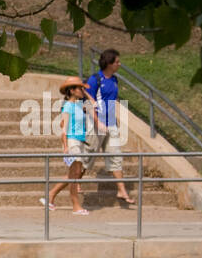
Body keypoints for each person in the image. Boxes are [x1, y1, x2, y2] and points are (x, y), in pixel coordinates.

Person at [86, 49, 134, 204]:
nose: (119, 64)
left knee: (116, 157)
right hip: (96, 124)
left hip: (111, 124)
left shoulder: (114, 79)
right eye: (117, 62)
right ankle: (76, 183)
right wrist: (97, 122)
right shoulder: (95, 80)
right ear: (109, 63)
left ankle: (122, 191)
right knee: (86, 157)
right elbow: (88, 102)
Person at [43, 76, 96, 215]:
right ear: (72, 90)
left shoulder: (79, 105)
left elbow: (94, 104)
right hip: (72, 142)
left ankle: (50, 196)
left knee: (74, 174)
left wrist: (85, 92)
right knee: (74, 175)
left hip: (80, 141)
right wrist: (65, 146)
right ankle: (76, 206)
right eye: (79, 88)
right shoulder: (67, 106)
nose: (82, 90)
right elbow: (64, 129)